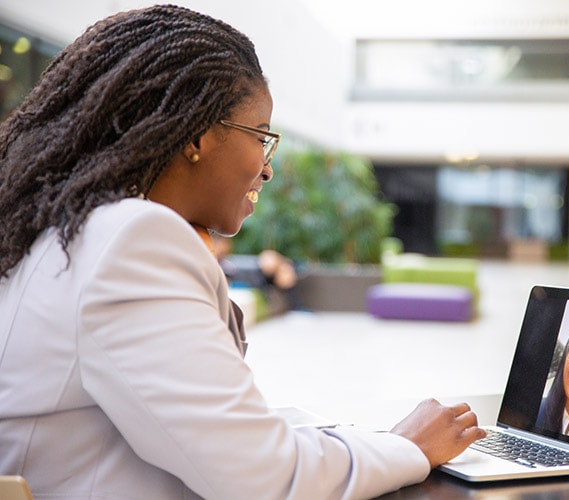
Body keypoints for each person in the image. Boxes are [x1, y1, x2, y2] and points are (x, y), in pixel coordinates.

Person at [0, 5, 485, 499]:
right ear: (197, 136)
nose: (267, 169)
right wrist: (406, 446)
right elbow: (263, 478)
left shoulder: (62, 233)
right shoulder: (130, 240)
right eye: (261, 138)